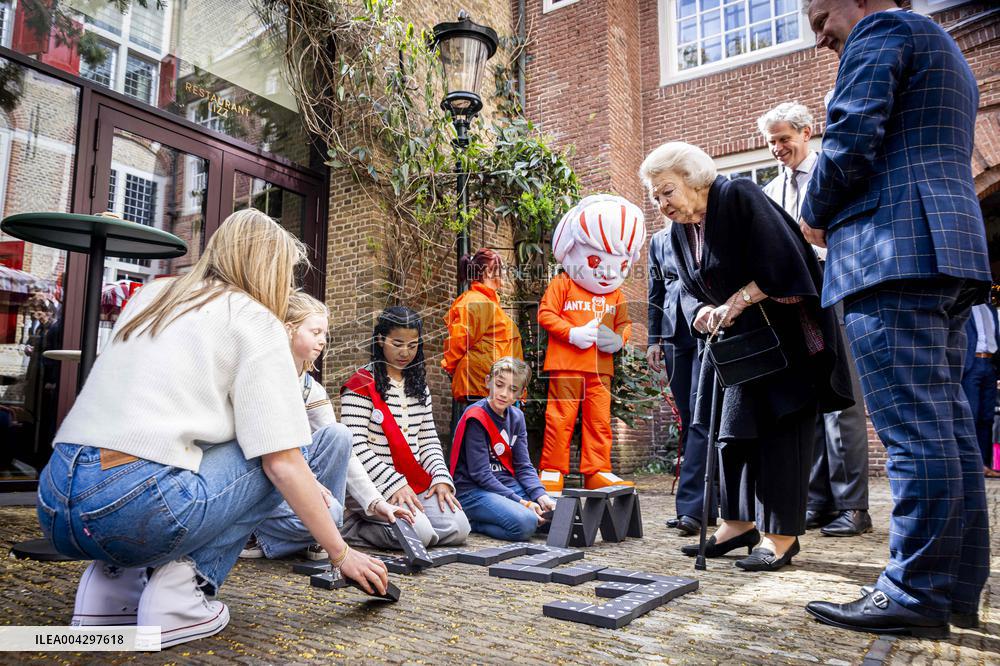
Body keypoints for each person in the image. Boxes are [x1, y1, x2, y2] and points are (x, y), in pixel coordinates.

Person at [35, 209, 388, 649]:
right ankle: (183, 595)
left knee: (165, 458)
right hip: (132, 508)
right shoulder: (256, 320)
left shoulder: (153, 295)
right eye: (286, 273)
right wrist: (342, 553)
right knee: (271, 455)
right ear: (269, 269)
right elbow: (282, 464)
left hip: (55, 501)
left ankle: (111, 589)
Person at [799, 0, 991, 638]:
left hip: (893, 252)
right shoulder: (941, 47)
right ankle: (954, 588)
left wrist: (814, 208)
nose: (820, 36)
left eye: (820, 16)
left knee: (913, 432)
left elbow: (852, 133)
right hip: (943, 248)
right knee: (948, 427)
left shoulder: (882, 30)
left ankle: (912, 589)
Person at [639, 141, 854, 572]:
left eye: (666, 191)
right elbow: (684, 286)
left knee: (779, 438)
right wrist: (699, 310)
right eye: (655, 196)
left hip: (779, 344)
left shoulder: (738, 196)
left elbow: (787, 265)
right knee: (729, 436)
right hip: (733, 350)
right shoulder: (681, 228)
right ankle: (736, 525)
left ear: (693, 179)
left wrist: (736, 301)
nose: (662, 204)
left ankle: (781, 537)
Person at [758, 101, 871, 537]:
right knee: (812, 400)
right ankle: (820, 501)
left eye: (784, 139)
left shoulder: (833, 174)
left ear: (808, 133)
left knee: (842, 401)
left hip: (837, 288)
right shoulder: (770, 191)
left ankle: (854, 506)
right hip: (797, 301)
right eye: (771, 142)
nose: (777, 148)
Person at [241, 291, 413, 560]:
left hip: (294, 478)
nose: (323, 340)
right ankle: (256, 533)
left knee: (339, 434)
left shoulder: (312, 389)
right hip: (263, 483)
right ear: (289, 330)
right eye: (316, 332)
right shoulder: (264, 377)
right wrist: (311, 485)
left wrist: (376, 502)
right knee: (332, 515)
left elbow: (347, 453)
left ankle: (314, 537)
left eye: (325, 333)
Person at [537, 194, 646, 492]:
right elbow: (546, 314)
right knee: (560, 417)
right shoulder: (562, 283)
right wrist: (571, 333)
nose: (609, 271)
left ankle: (597, 469)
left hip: (600, 369)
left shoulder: (616, 296)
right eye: (596, 259)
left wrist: (617, 339)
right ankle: (552, 469)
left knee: (599, 421)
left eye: (621, 263)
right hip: (567, 365)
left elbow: (624, 326)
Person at [340, 306, 470, 549]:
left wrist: (440, 479)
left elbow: (429, 440)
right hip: (372, 485)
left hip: (413, 481)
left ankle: (410, 529)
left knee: (459, 528)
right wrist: (393, 483)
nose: (405, 352)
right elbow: (355, 446)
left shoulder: (418, 386)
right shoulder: (359, 385)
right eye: (397, 343)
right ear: (380, 339)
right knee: (419, 534)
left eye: (412, 345)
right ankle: (353, 527)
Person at [647, 222, 713, 536]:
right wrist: (653, 340)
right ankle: (704, 505)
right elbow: (655, 292)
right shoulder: (658, 240)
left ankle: (691, 508)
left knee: (701, 416)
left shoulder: (704, 227)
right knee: (688, 419)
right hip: (674, 335)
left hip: (705, 329)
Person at [450, 357, 557, 540]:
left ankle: (517, 514)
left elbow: (523, 466)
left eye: (513, 389)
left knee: (558, 516)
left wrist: (541, 496)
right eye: (499, 385)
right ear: (488, 382)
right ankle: (471, 522)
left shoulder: (517, 417)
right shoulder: (476, 417)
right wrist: (522, 502)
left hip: (506, 485)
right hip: (473, 491)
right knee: (525, 523)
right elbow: (481, 475)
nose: (504, 394)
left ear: (521, 393)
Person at [442, 248, 523, 430]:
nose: (503, 274)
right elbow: (459, 340)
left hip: (494, 386)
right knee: (484, 444)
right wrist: (450, 367)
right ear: (488, 271)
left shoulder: (487, 303)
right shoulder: (477, 301)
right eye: (500, 268)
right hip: (483, 386)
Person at [963, 301, 1000, 478]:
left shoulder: (991, 309)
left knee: (987, 417)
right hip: (972, 365)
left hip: (990, 365)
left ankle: (985, 464)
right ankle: (971, 465)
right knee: (972, 415)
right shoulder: (965, 308)